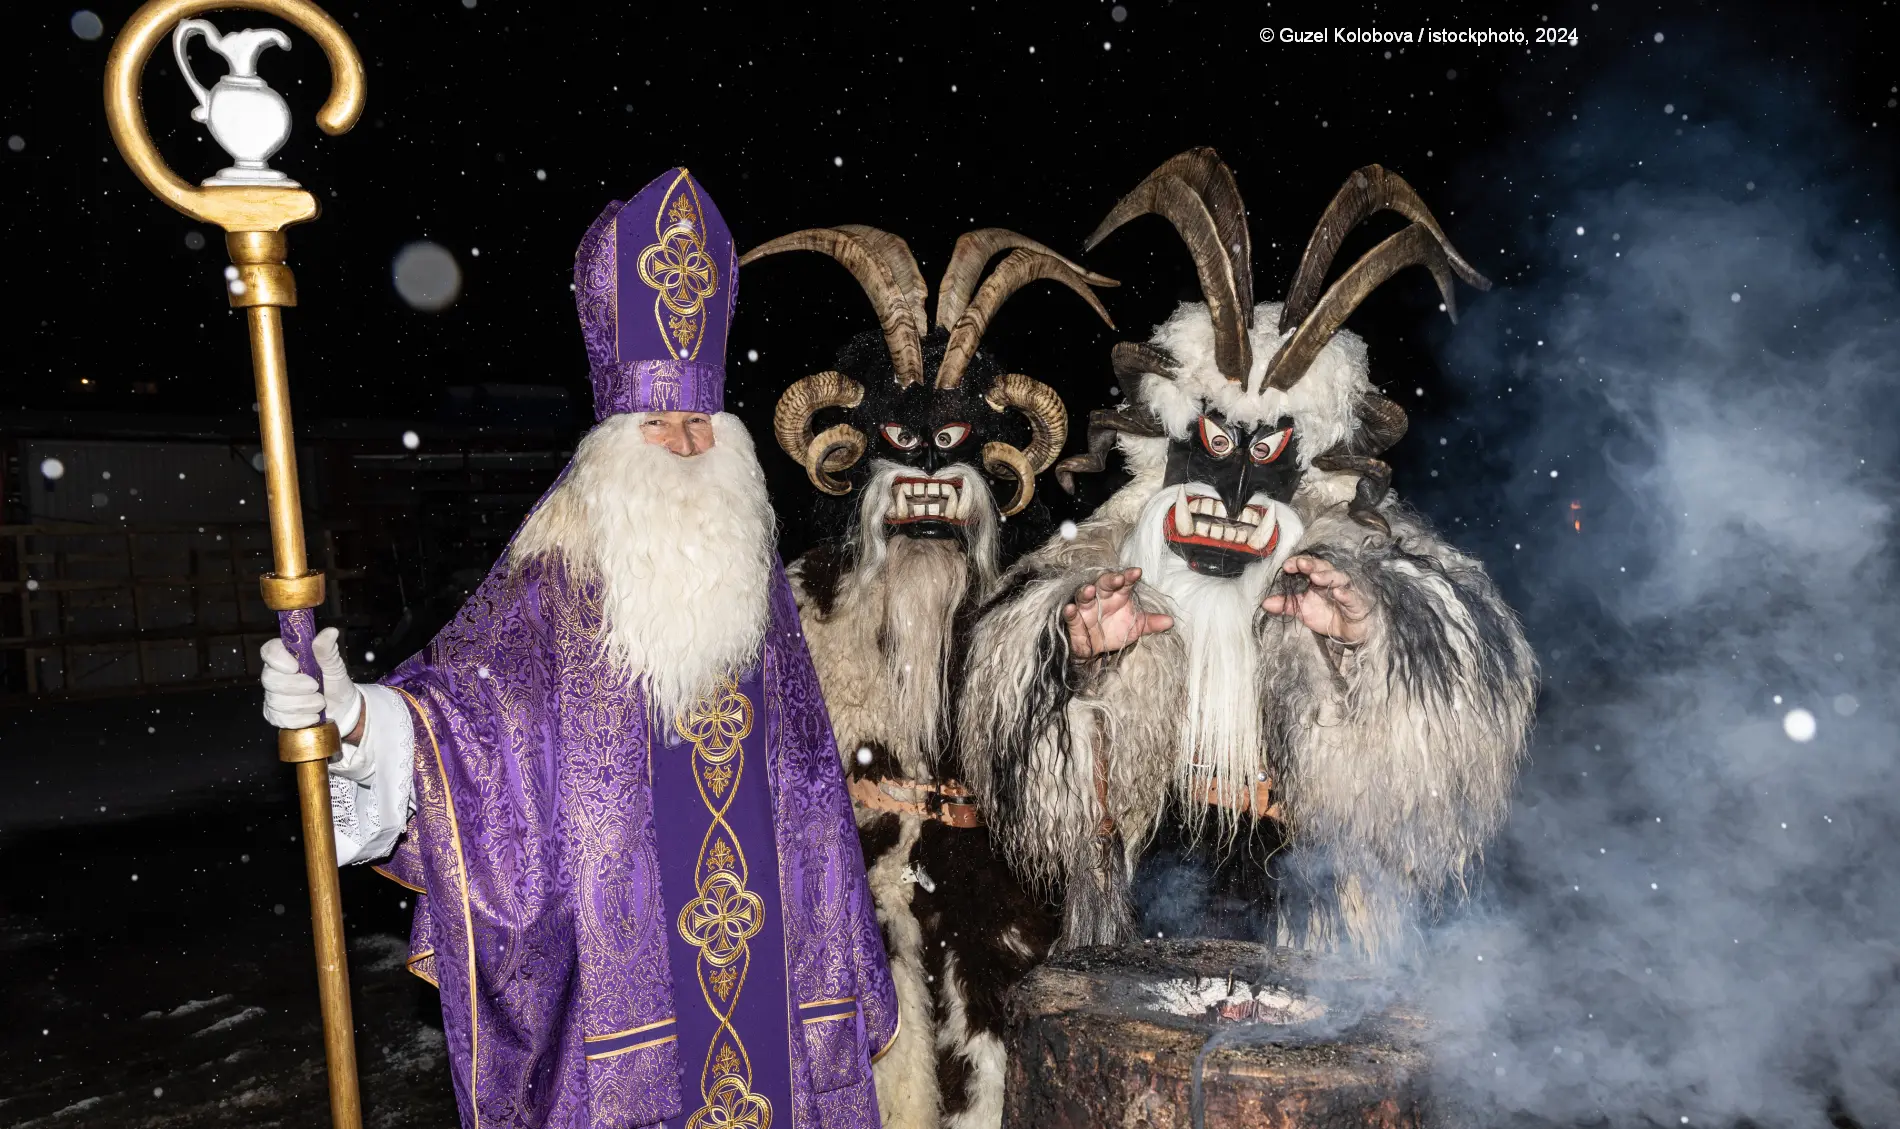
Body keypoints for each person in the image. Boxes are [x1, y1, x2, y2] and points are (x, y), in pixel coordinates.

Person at [259, 168, 896, 1129]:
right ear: (611, 441)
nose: (684, 445)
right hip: (622, 1016)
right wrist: (353, 720)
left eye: (700, 422)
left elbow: (810, 801)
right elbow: (471, 725)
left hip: (765, 998)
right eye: (659, 423)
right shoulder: (553, 580)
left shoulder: (755, 588)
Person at [958, 150, 1538, 959]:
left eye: (1266, 448)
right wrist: (1075, 653)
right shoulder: (1104, 557)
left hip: (1313, 949)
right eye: (1218, 439)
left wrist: (1369, 637)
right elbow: (1006, 710)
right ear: (1171, 435)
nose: (1231, 494)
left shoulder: (1358, 557)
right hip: (1136, 937)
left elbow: (1476, 682)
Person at [742, 226, 1111, 1129]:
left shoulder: (1023, 612)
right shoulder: (797, 603)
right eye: (904, 448)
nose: (930, 474)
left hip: (1001, 917)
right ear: (855, 461)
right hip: (849, 921)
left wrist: (1087, 664)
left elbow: (1079, 759)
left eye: (951, 446)